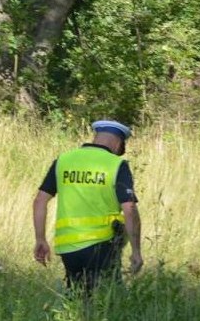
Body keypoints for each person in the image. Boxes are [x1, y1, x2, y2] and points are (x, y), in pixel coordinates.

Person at [32, 120, 143, 293]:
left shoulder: (63, 161)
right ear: (118, 143)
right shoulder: (116, 165)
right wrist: (136, 250)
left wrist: (40, 239)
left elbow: (40, 200)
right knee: (108, 300)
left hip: (68, 249)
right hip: (102, 246)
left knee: (78, 297)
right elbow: (129, 208)